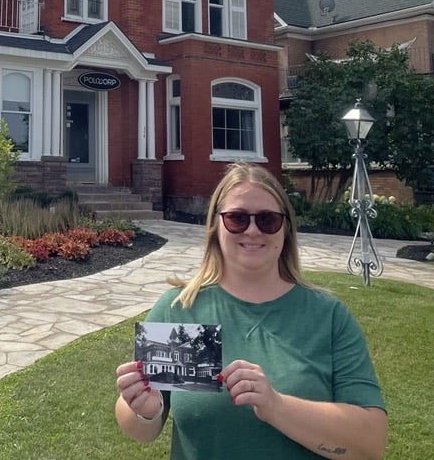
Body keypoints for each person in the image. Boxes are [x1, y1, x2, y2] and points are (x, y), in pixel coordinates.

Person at [115, 162, 387, 459]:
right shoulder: (180, 309)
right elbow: (142, 430)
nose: (253, 230)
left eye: (268, 220)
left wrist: (276, 407)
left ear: (286, 229)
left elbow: (369, 444)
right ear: (216, 226)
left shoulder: (328, 316)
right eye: (237, 218)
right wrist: (144, 410)